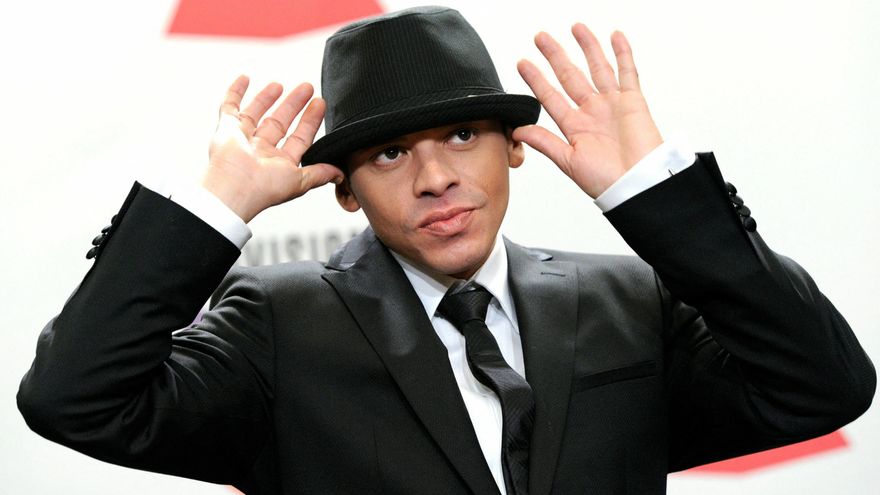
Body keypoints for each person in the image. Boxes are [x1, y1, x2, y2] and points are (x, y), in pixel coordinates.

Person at [17, 6, 875, 495]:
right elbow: (73, 398)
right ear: (344, 189)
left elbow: (823, 384)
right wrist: (216, 208)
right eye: (391, 152)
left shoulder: (629, 301)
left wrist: (652, 192)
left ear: (513, 147)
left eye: (462, 135)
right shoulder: (276, 323)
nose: (434, 178)